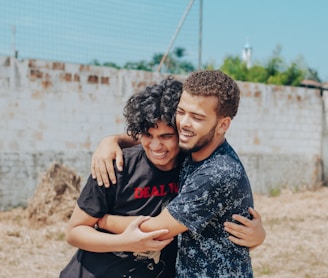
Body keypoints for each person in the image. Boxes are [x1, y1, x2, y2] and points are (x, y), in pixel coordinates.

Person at [92, 70, 265, 277]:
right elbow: (156, 140)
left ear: (223, 125)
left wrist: (101, 220)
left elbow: (156, 228)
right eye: (181, 112)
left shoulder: (217, 173)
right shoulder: (194, 149)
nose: (184, 123)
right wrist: (111, 141)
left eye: (197, 117)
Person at [60, 77, 185, 277]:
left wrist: (254, 235)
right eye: (147, 135)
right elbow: (74, 231)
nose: (155, 146)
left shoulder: (195, 170)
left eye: (166, 136)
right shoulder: (115, 166)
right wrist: (126, 242)